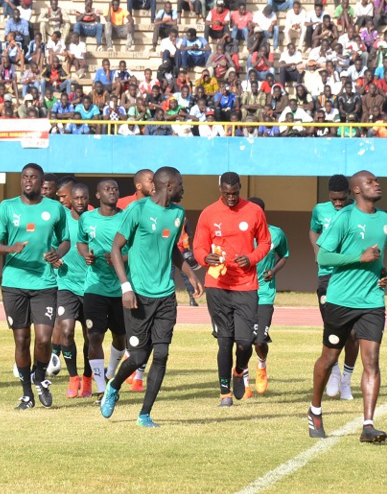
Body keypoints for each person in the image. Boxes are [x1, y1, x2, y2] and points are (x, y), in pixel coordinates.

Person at [101, 166, 204, 427]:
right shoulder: (138, 210)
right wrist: (125, 286)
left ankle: (144, 414)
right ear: (169, 186)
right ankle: (113, 386)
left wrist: (191, 275)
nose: (183, 189)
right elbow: (115, 249)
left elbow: (173, 251)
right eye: (181, 184)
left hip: (166, 297)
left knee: (161, 354)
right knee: (137, 357)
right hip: (137, 296)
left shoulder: (179, 214)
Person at [307, 170, 387, 443]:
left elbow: (376, 259)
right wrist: (359, 258)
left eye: (376, 180)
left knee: (372, 362)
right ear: (356, 190)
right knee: (329, 358)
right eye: (370, 182)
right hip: (341, 300)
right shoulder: (344, 217)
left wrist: (383, 272)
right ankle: (315, 409)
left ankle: (368, 425)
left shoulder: (385, 220)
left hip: (372, 302)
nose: (376, 184)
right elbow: (325, 256)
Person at [0, 163, 70, 409]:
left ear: (41, 181)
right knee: (22, 340)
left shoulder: (55, 209)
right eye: (24, 177)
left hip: (44, 282)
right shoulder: (7, 207)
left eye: (33, 177)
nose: (28, 181)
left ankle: (40, 377)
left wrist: (57, 253)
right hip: (14, 283)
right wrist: (10, 248)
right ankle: (26, 394)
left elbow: (65, 239)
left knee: (44, 339)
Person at [192, 172, 271, 407]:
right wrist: (206, 258)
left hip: (246, 285)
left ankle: (240, 370)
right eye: (226, 194)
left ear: (240, 188)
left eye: (234, 193)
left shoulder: (254, 211)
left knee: (246, 342)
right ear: (220, 190)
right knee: (224, 341)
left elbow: (265, 242)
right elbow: (198, 247)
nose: (230, 198)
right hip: (218, 285)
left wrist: (252, 257)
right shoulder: (208, 213)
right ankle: (224, 393)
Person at [78, 179, 128, 399]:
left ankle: (110, 373)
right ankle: (100, 387)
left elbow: (137, 248)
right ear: (97, 195)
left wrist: (120, 258)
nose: (112, 192)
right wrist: (85, 254)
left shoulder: (126, 217)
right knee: (94, 336)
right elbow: (81, 241)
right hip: (94, 288)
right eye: (107, 189)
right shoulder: (87, 218)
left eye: (115, 189)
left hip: (120, 288)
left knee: (121, 338)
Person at [309, 174, 357, 400]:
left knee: (354, 334)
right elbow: (314, 230)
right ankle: (334, 374)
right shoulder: (320, 210)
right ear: (329, 195)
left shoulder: (357, 211)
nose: (338, 203)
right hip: (327, 277)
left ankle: (346, 381)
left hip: (351, 277)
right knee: (332, 327)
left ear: (349, 194)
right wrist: (318, 253)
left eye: (342, 199)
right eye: (334, 199)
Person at [53, 181, 92, 398]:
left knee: (90, 337)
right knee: (66, 331)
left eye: (83, 198)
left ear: (88, 199)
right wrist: (53, 258)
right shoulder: (62, 220)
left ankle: (87, 378)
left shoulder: (94, 220)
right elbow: (50, 245)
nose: (79, 202)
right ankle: (73, 377)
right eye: (75, 198)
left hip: (90, 287)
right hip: (65, 284)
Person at [248, 196, 289, 397]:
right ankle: (243, 380)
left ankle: (261, 365)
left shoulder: (276, 233)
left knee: (259, 340)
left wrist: (273, 271)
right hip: (242, 292)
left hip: (264, 293)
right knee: (242, 339)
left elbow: (285, 256)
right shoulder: (239, 232)